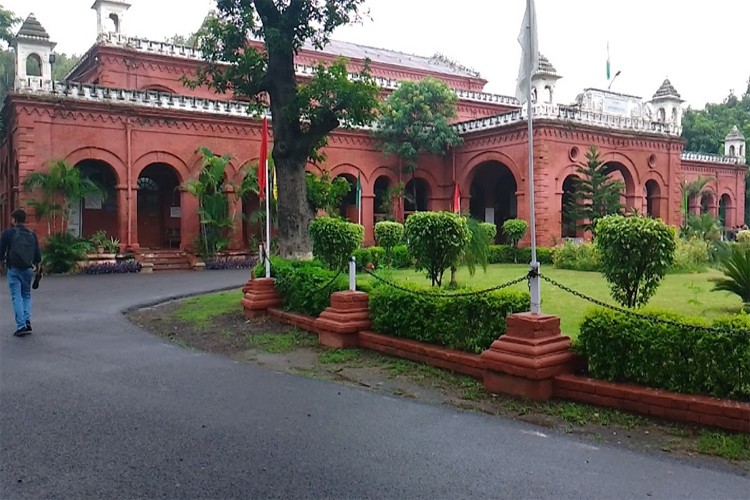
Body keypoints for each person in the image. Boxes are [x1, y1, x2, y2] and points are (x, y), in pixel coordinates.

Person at [0, 209, 42, 337]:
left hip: (14, 269)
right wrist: (39, 268)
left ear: (14, 219)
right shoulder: (31, 234)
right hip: (28, 269)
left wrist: (1, 264)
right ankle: (27, 321)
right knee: (26, 295)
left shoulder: (8, 233)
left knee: (16, 296)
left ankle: (21, 325)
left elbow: (1, 250)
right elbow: (37, 254)